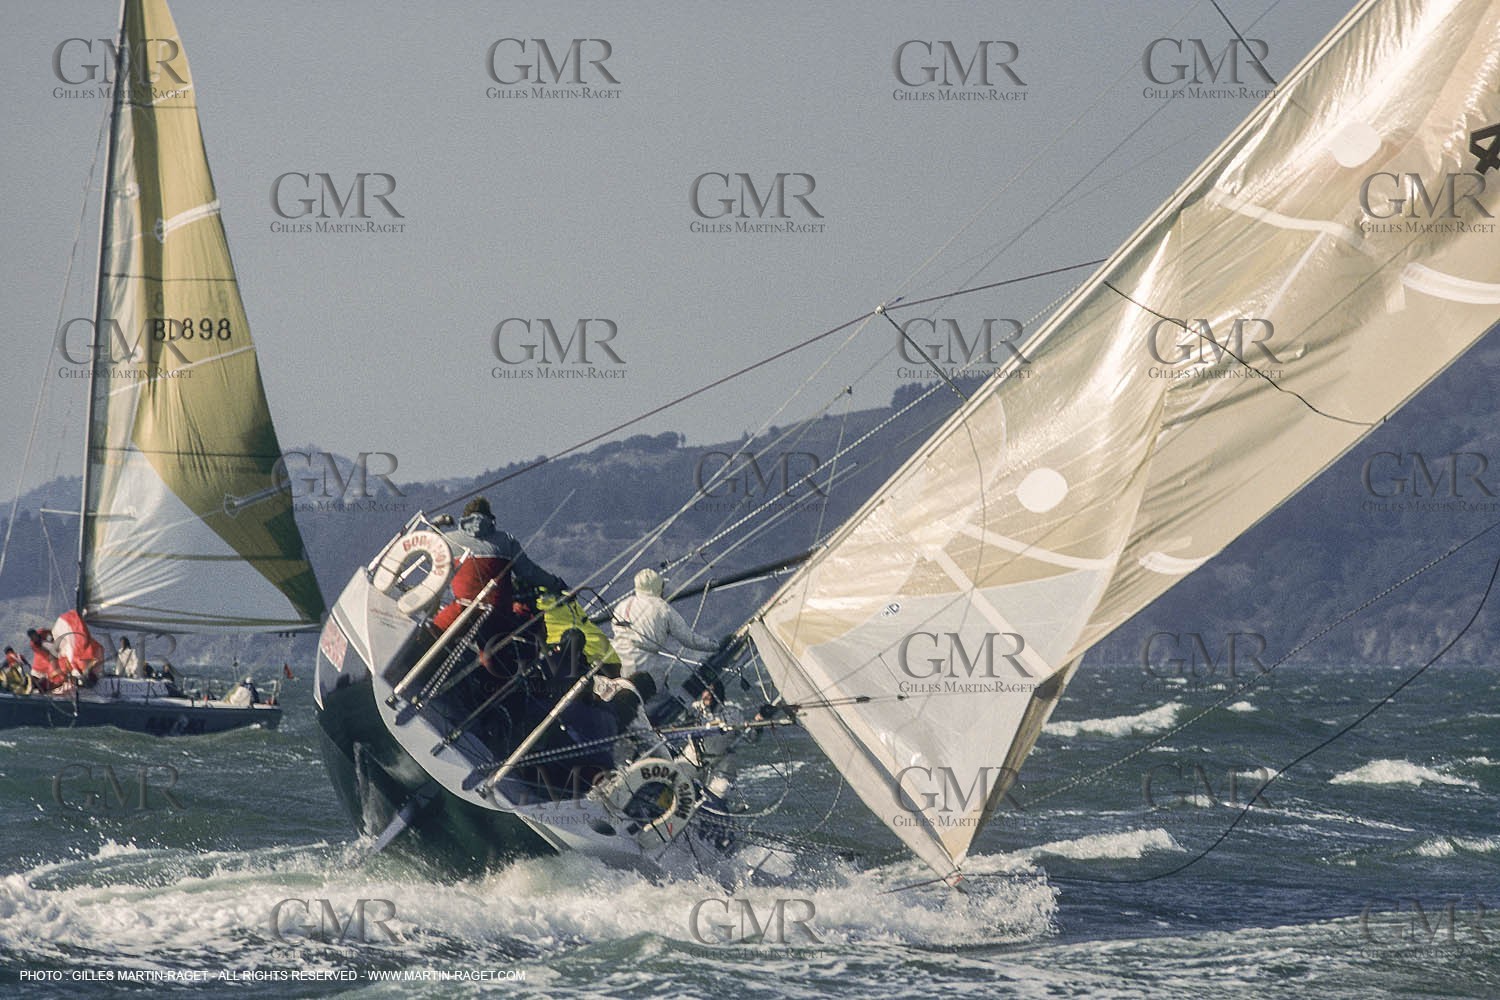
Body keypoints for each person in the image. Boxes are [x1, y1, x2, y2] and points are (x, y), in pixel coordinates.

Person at [609, 568, 720, 696]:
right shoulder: (663, 608)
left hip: (616, 658)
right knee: (657, 696)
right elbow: (689, 640)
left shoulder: (623, 605)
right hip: (643, 663)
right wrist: (715, 646)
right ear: (658, 587)